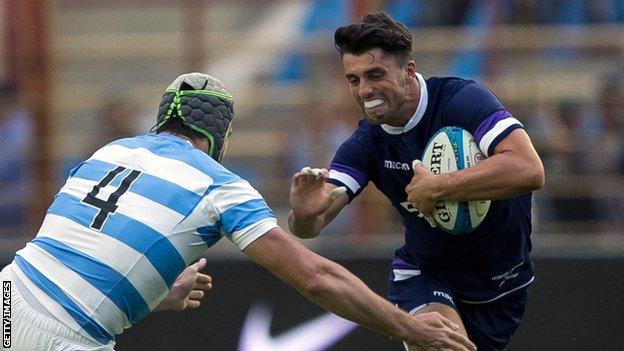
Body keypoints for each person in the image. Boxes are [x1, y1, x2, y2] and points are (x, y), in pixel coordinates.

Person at [0, 72, 475, 351]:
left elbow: (74, 254)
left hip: (6, 293)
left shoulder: (109, 150)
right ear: (220, 138)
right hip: (64, 337)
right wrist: (411, 327)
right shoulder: (218, 184)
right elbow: (316, 277)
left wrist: (157, 292)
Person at [288, 13, 545, 351]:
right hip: (427, 276)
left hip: (504, 281)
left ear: (408, 71)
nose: (364, 90)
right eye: (353, 80)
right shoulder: (367, 143)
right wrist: (304, 213)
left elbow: (529, 170)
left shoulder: (462, 100)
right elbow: (313, 222)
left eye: (374, 75)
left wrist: (440, 186)